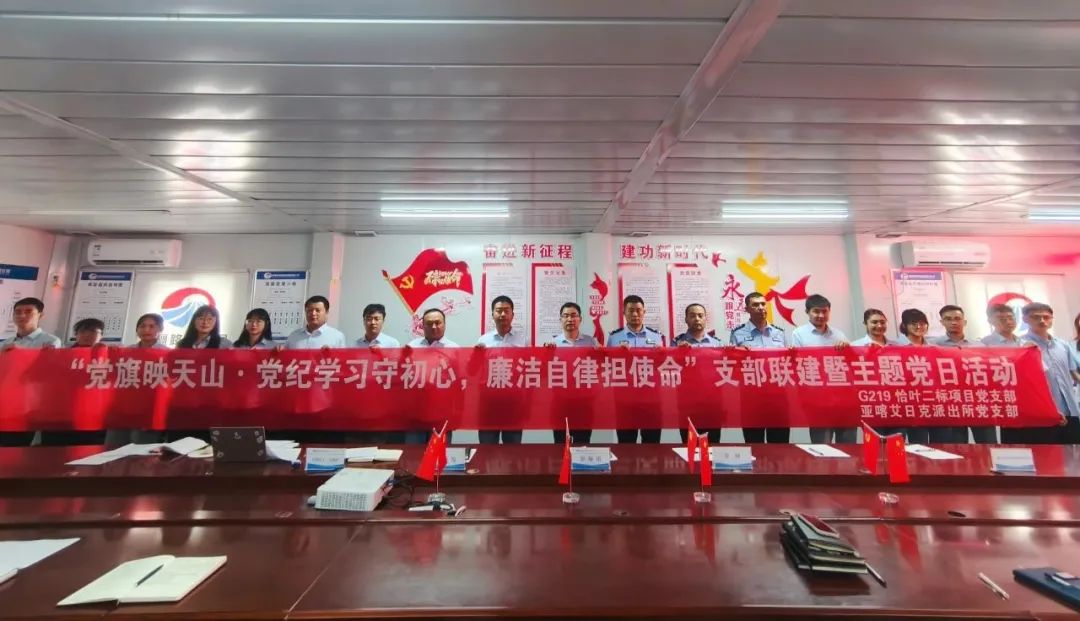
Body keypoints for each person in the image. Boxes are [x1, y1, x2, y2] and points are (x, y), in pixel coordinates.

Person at [1002, 303, 1080, 444]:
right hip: (1045, 415)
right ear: (1025, 319)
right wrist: (1048, 410)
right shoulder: (1021, 346)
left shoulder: (1062, 345)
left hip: (1071, 411)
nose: (1042, 321)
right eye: (1036, 317)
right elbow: (1024, 385)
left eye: (1046, 317)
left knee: (1075, 454)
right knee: (1050, 455)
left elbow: (1073, 374)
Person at [791, 294, 852, 444]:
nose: (821, 315)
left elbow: (850, 364)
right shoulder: (798, 334)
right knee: (822, 445)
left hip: (842, 399)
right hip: (816, 400)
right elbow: (798, 366)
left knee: (848, 444)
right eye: (816, 311)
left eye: (824, 311)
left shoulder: (839, 334)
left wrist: (847, 348)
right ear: (807, 312)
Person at [0, 298, 61, 446]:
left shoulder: (51, 341)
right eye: (18, 312)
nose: (22, 315)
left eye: (28, 312)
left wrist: (21, 354)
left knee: (17, 445)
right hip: (6, 401)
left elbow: (48, 372)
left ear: (40, 315)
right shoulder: (6, 343)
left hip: (29, 404)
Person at [731, 292, 790, 444]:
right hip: (751, 398)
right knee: (754, 444)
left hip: (778, 396)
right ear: (747, 309)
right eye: (755, 305)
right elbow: (732, 367)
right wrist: (736, 354)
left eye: (763, 304)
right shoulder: (738, 334)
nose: (761, 308)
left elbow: (788, 364)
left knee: (779, 445)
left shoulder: (779, 333)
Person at [608, 295, 664, 444]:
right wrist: (617, 354)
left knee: (652, 443)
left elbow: (663, 365)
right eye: (630, 310)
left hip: (651, 398)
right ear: (623, 313)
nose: (634, 314)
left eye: (638, 310)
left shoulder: (656, 337)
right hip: (625, 399)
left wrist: (661, 355)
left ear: (644, 312)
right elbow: (607, 366)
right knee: (626, 443)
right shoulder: (614, 337)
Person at [475, 296, 527, 444]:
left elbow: (530, 369)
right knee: (487, 446)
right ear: (493, 314)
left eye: (506, 310)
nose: (503, 314)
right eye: (499, 311)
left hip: (514, 401)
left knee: (512, 447)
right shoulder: (483, 340)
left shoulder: (524, 340)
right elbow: (474, 370)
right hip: (489, 402)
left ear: (512, 315)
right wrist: (475, 356)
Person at [930, 305, 981, 444]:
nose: (953, 322)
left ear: (964, 321)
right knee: (957, 447)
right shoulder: (933, 347)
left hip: (978, 401)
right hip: (951, 401)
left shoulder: (979, 346)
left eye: (957, 319)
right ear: (942, 322)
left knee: (988, 444)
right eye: (948, 319)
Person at [672, 303, 722, 443]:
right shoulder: (676, 343)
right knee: (689, 446)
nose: (697, 319)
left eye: (700, 315)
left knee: (712, 445)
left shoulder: (717, 344)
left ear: (705, 318)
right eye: (692, 316)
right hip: (687, 403)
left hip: (712, 403)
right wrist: (679, 353)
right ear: (686, 319)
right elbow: (669, 370)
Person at [548, 302, 596, 445]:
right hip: (560, 403)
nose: (570, 319)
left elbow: (601, 367)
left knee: (583, 443)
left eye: (574, 315)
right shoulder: (552, 344)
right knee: (560, 444)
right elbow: (544, 373)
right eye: (566, 316)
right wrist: (546, 354)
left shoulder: (591, 342)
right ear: (560, 319)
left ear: (580, 319)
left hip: (584, 403)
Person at [897, 308, 932, 444]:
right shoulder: (894, 347)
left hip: (932, 400)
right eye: (913, 323)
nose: (918, 327)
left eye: (922, 323)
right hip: (907, 402)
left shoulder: (934, 347)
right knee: (917, 443)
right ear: (904, 325)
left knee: (941, 443)